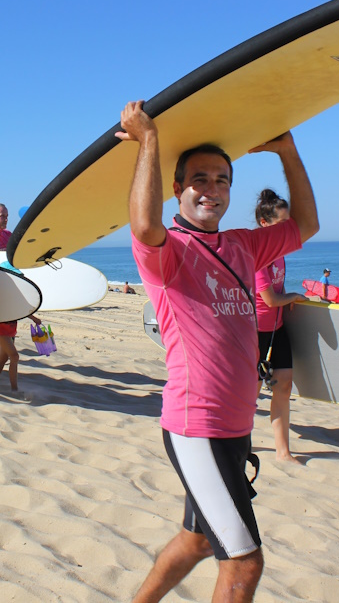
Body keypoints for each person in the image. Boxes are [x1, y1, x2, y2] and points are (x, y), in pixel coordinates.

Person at [117, 100, 318, 603]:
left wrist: (287, 152)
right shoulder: (168, 250)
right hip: (196, 424)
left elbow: (307, 225)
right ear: (178, 189)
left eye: (222, 180)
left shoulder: (242, 246)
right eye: (199, 180)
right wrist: (149, 140)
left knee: (197, 539)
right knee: (245, 564)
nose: (211, 189)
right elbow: (142, 226)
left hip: (234, 426)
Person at [253, 189, 307, 465]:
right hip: (251, 333)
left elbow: (278, 290)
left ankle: (283, 452)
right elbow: (271, 298)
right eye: (282, 225)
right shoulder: (258, 256)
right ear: (265, 224)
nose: (288, 231)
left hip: (277, 329)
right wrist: (294, 297)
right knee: (248, 395)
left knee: (283, 387)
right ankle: (239, 446)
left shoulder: (280, 254)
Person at [0, 203, 40, 392]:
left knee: (4, 353)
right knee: (9, 351)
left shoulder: (8, 235)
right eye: (2, 216)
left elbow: (18, 254)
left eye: (7, 215)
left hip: (10, 287)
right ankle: (11, 386)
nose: (6, 219)